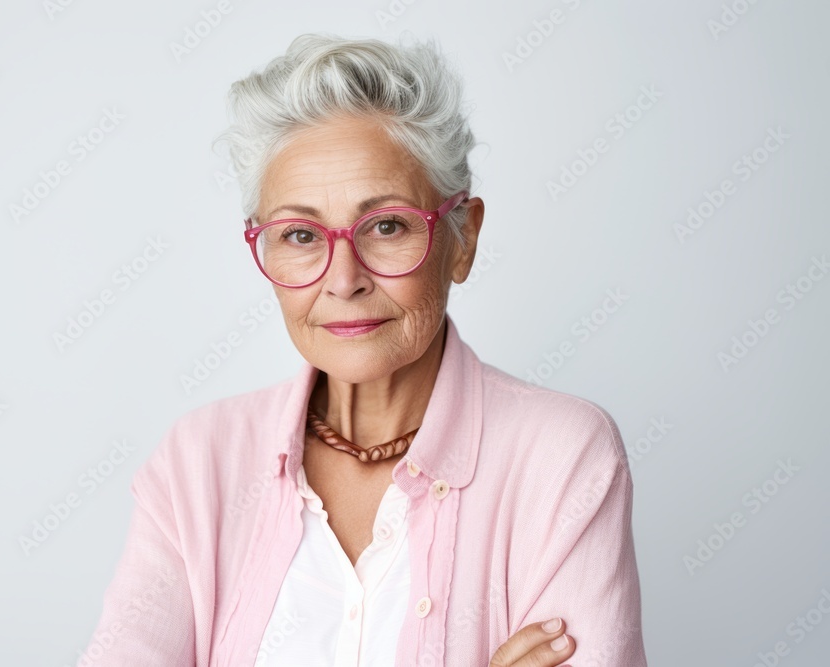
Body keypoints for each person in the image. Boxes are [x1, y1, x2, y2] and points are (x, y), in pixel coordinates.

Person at [78, 33, 648, 667]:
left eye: (386, 226)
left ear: (463, 239)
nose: (343, 279)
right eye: (299, 234)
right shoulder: (196, 463)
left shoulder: (562, 457)